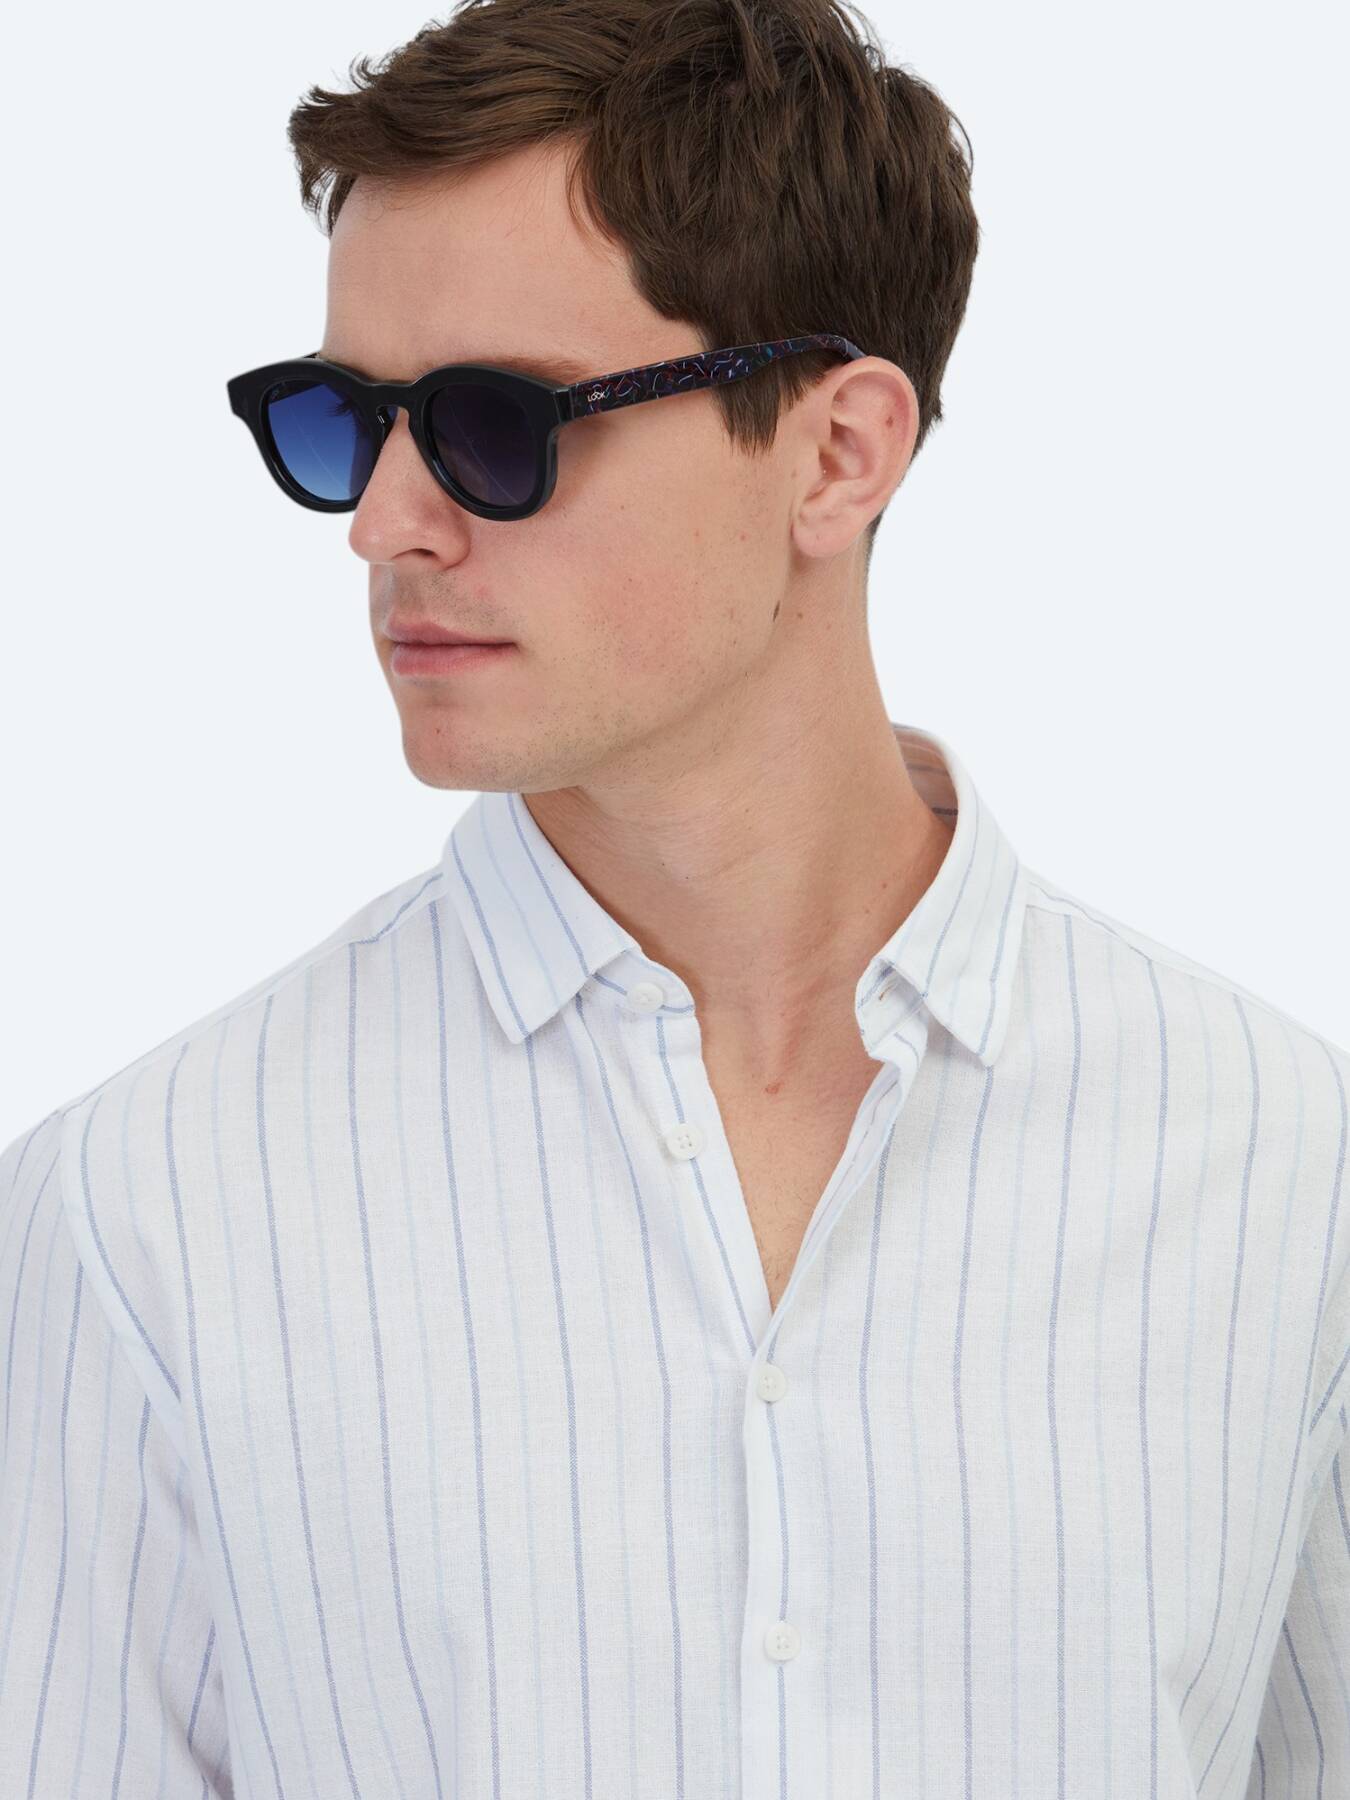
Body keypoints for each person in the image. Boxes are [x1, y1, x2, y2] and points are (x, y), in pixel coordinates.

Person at [2, 3, 1345, 1796]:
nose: (384, 524)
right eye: (344, 421)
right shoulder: (148, 1204)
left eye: (490, 425)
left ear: (837, 451)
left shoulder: (1279, 1169)